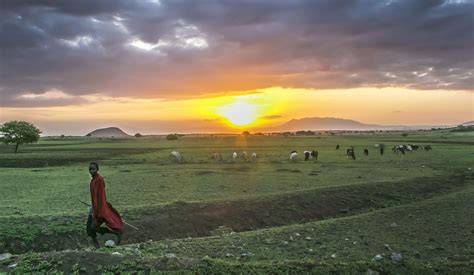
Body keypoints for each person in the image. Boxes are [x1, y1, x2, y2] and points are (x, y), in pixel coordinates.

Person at [86, 162, 123, 248]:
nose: (91, 171)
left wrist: (99, 209)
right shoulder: (93, 180)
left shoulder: (99, 179)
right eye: (90, 169)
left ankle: (116, 233)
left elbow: (101, 196)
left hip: (98, 207)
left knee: (93, 227)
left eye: (93, 169)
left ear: (97, 169)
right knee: (89, 228)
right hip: (94, 207)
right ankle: (97, 246)